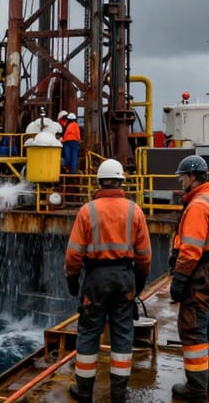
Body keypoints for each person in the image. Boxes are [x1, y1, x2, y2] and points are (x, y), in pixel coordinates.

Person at [64, 158, 151, 403]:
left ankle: (84, 392)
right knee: (123, 333)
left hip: (96, 279)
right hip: (125, 278)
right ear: (121, 182)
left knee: (89, 332)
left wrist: (72, 280)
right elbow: (144, 255)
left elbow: (73, 254)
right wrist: (139, 282)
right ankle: (118, 394)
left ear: (99, 182)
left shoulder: (87, 211)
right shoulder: (134, 211)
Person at [169, 155, 209, 401]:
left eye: (182, 177)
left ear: (192, 177)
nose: (181, 181)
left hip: (202, 272)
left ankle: (195, 388)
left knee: (193, 327)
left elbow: (191, 250)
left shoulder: (197, 206)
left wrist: (179, 280)